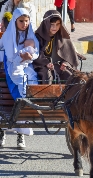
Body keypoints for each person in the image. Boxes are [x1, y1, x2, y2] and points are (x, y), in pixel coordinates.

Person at [0, 8, 39, 149]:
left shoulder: (30, 34)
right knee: (20, 79)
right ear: (15, 21)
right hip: (12, 66)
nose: (24, 24)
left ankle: (23, 126)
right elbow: (10, 56)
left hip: (27, 65)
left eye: (26, 21)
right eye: (21, 21)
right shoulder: (8, 35)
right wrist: (20, 58)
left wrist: (30, 57)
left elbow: (36, 52)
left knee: (32, 79)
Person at [33, 10, 79, 84]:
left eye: (58, 24)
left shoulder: (62, 37)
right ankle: (47, 95)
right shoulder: (38, 36)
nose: (55, 27)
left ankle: (66, 95)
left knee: (68, 75)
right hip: (44, 66)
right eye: (52, 24)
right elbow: (36, 54)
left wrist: (65, 63)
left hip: (59, 65)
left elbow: (69, 55)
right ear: (46, 24)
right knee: (47, 76)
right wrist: (46, 63)